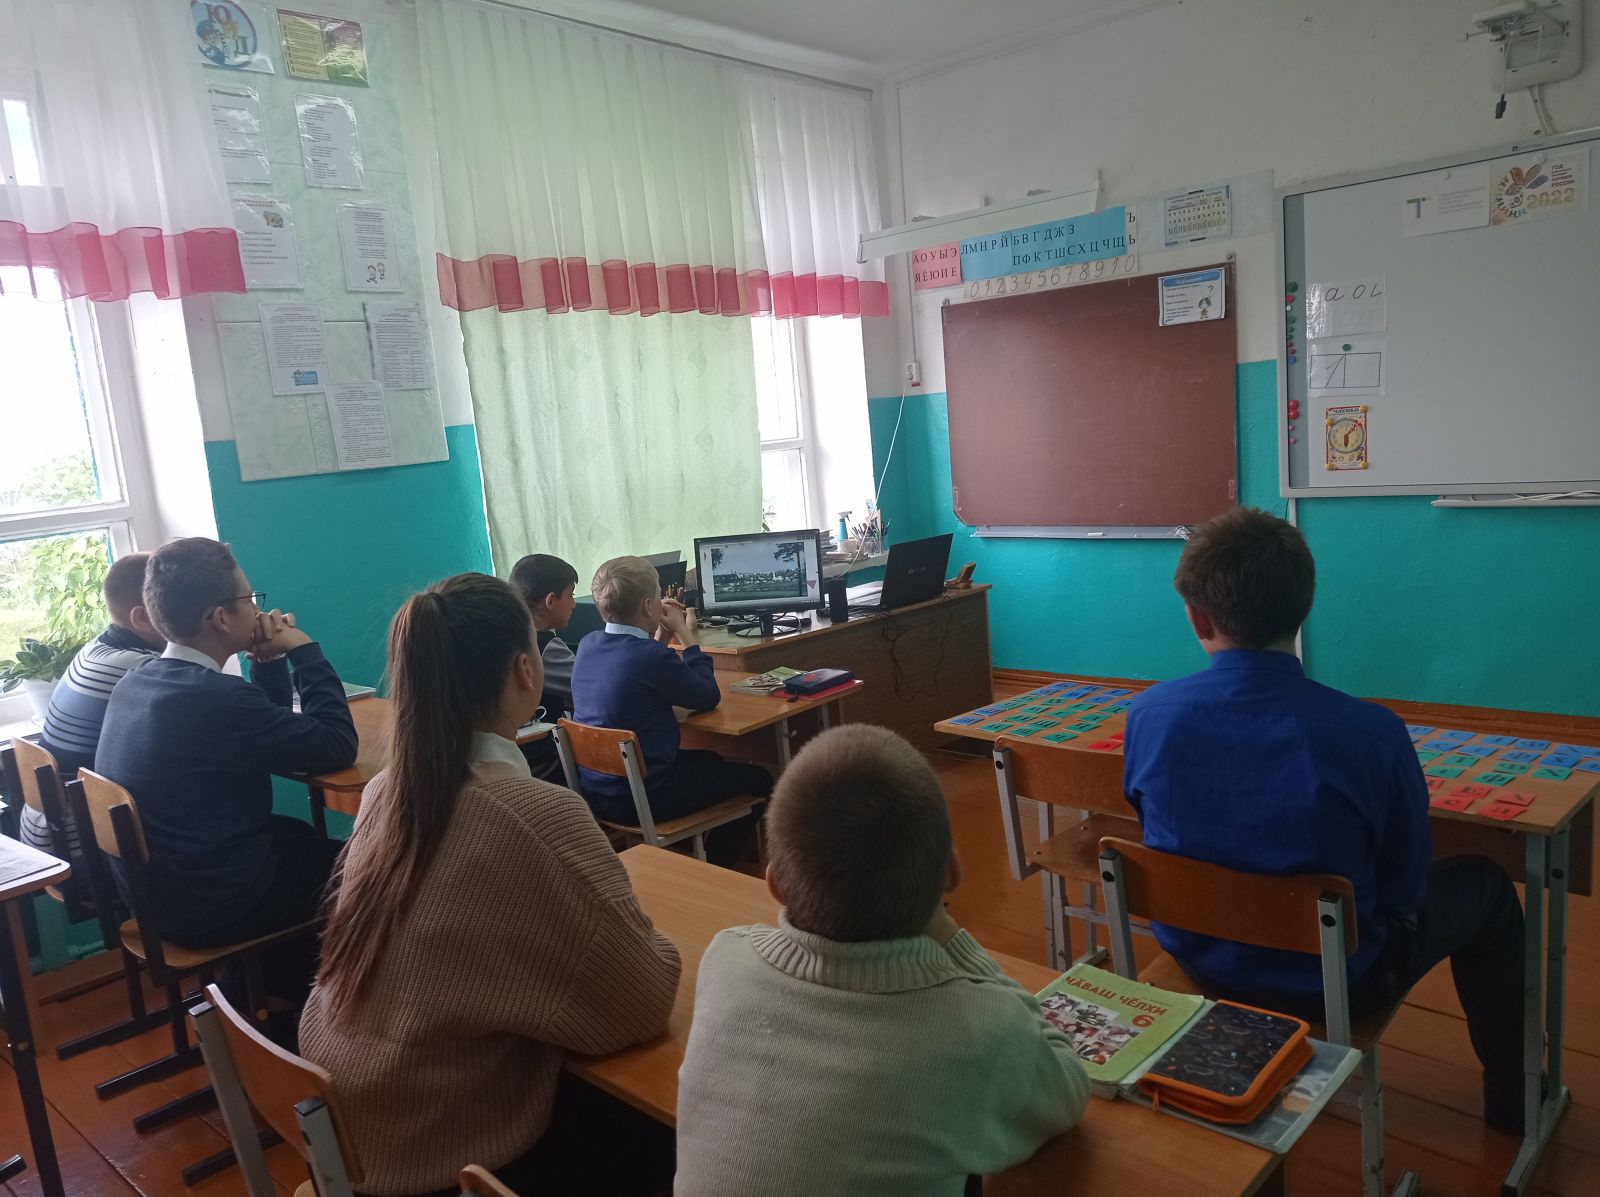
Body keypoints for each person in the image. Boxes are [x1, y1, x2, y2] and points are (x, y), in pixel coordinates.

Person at [1122, 506, 1526, 1132]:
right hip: (1340, 981)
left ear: (1197, 618)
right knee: (1488, 885)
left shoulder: (1148, 714)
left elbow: (1150, 821)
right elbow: (1404, 885)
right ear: (1304, 606)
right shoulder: (1372, 732)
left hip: (1201, 960)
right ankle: (1513, 1101)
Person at [300, 573, 681, 1197]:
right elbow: (641, 1003)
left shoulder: (382, 793)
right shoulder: (536, 814)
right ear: (525, 670)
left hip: (355, 1131)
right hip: (447, 1158)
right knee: (669, 1124)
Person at [675, 724, 1089, 1195]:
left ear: (774, 884)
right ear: (951, 873)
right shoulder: (983, 1028)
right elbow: (1068, 1089)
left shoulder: (726, 958)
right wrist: (953, 939)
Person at [95, 537, 356, 1014]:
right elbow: (337, 746)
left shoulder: (141, 681)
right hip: (213, 904)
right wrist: (304, 649)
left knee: (300, 836)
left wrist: (268, 664)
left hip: (159, 896)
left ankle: (272, 992)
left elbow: (271, 736)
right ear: (219, 617)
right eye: (249, 600)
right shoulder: (213, 698)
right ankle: (335, 1007)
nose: (257, 611)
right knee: (370, 867)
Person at [570, 555, 769, 867]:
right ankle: (713, 867)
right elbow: (707, 696)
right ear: (648, 606)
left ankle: (691, 853)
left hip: (599, 793)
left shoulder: (588, 644)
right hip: (646, 796)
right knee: (760, 779)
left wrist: (661, 636)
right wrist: (684, 633)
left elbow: (643, 669)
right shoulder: (649, 658)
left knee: (712, 760)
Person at [23, 553, 164, 859]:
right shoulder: (141, 669)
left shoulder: (97, 648)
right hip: (85, 849)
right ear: (143, 617)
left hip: (48, 832)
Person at [508, 552, 579, 779]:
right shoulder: (545, 647)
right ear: (550, 601)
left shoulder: (509, 637)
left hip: (521, 759)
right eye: (571, 595)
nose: (574, 604)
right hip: (548, 762)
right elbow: (587, 687)